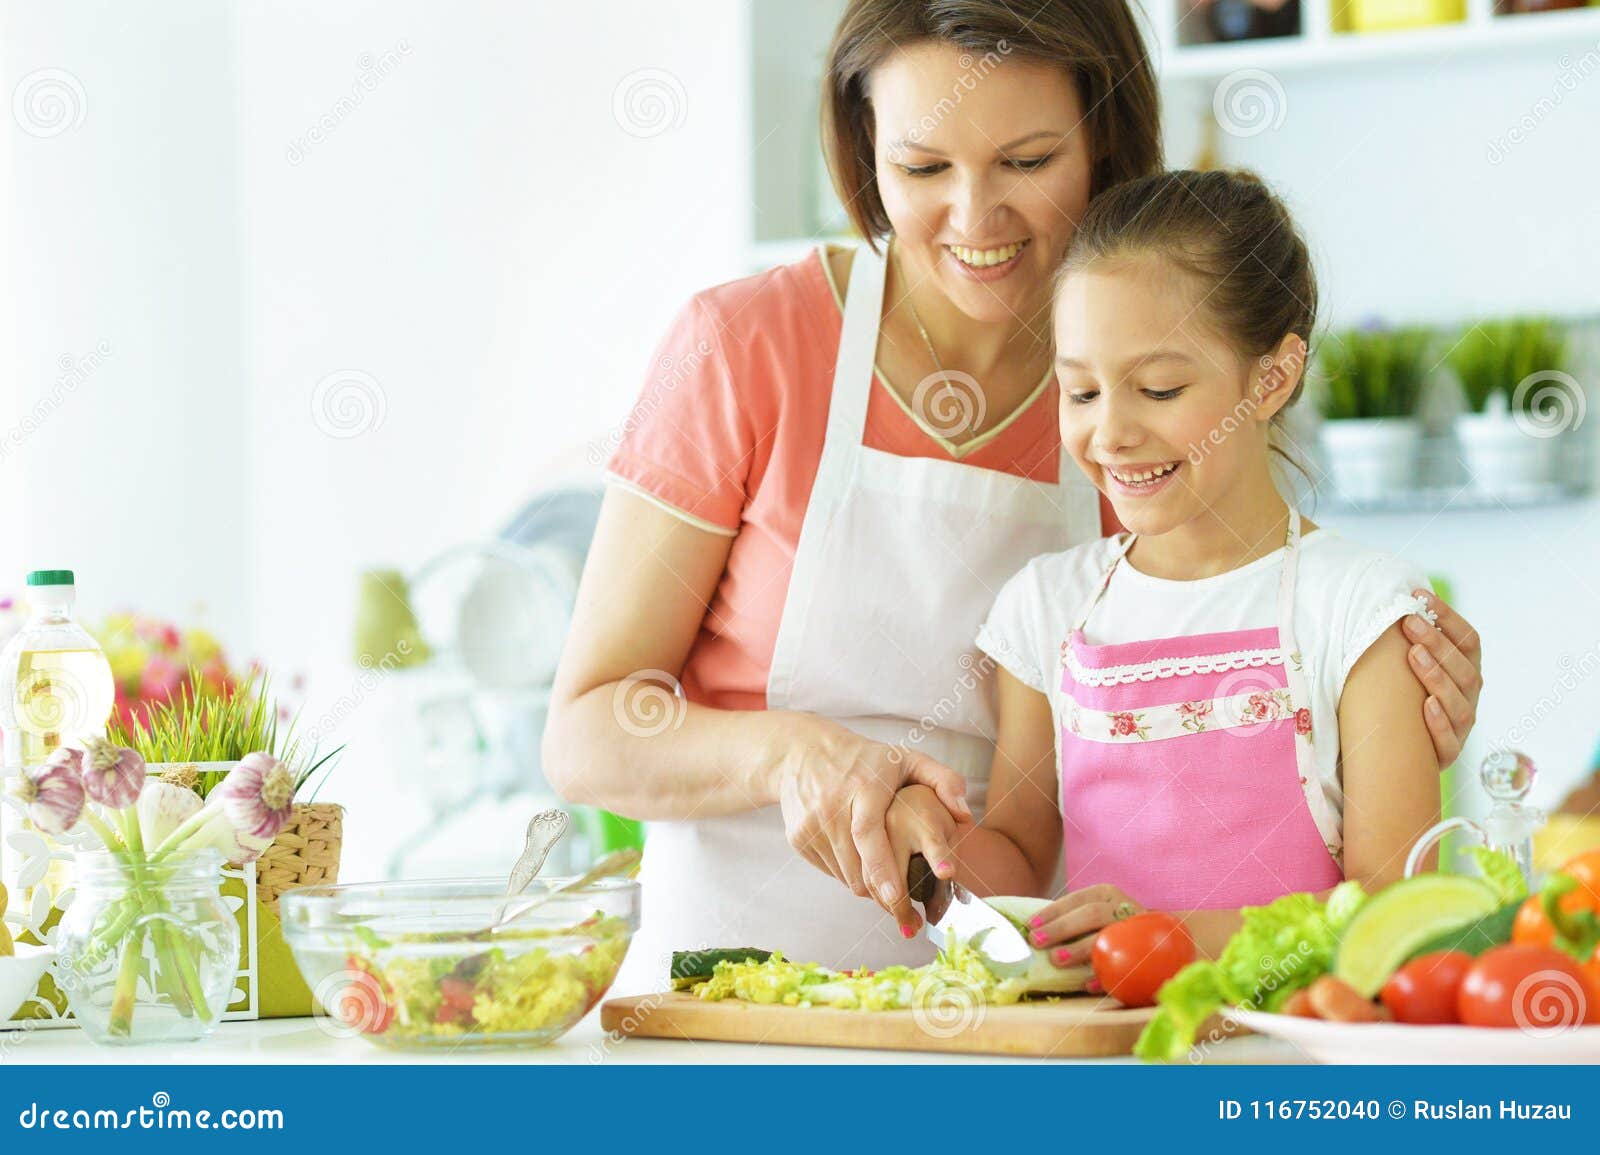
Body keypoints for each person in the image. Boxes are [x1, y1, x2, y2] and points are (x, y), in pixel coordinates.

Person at [543, 2, 1484, 997]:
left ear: (1103, 144)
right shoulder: (743, 349)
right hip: (742, 1000)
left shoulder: (1148, 389)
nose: (973, 218)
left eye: (1027, 162)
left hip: (1045, 1011)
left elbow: (1235, 696)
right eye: (921, 168)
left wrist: (1365, 695)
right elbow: (589, 731)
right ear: (865, 153)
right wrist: (799, 758)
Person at [886, 169, 1448, 961]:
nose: (1109, 433)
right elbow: (1017, 851)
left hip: (1291, 1063)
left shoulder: (1361, 609)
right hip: (1107, 1063)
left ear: (1273, 378)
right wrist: (921, 840)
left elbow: (1397, 917)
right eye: (1080, 392)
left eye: (1158, 388)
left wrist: (1173, 940)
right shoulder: (1049, 606)